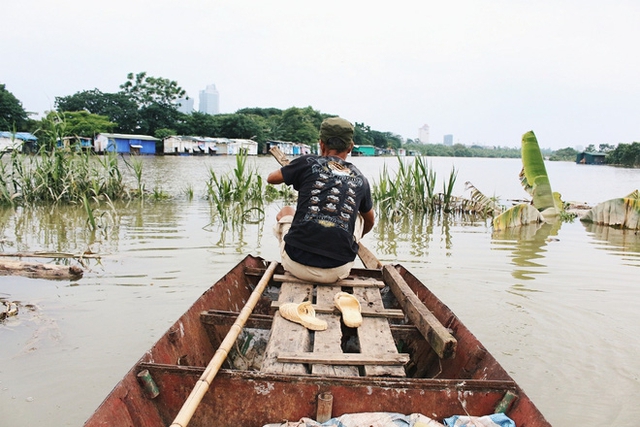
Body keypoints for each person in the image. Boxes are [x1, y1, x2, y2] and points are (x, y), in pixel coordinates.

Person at [267, 117, 375, 283]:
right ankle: (347, 242)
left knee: (287, 211)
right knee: (360, 216)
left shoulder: (307, 162)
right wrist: (352, 238)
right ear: (351, 147)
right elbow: (370, 222)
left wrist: (294, 171)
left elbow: (271, 178)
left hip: (296, 264)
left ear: (321, 144)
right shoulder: (361, 179)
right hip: (339, 269)